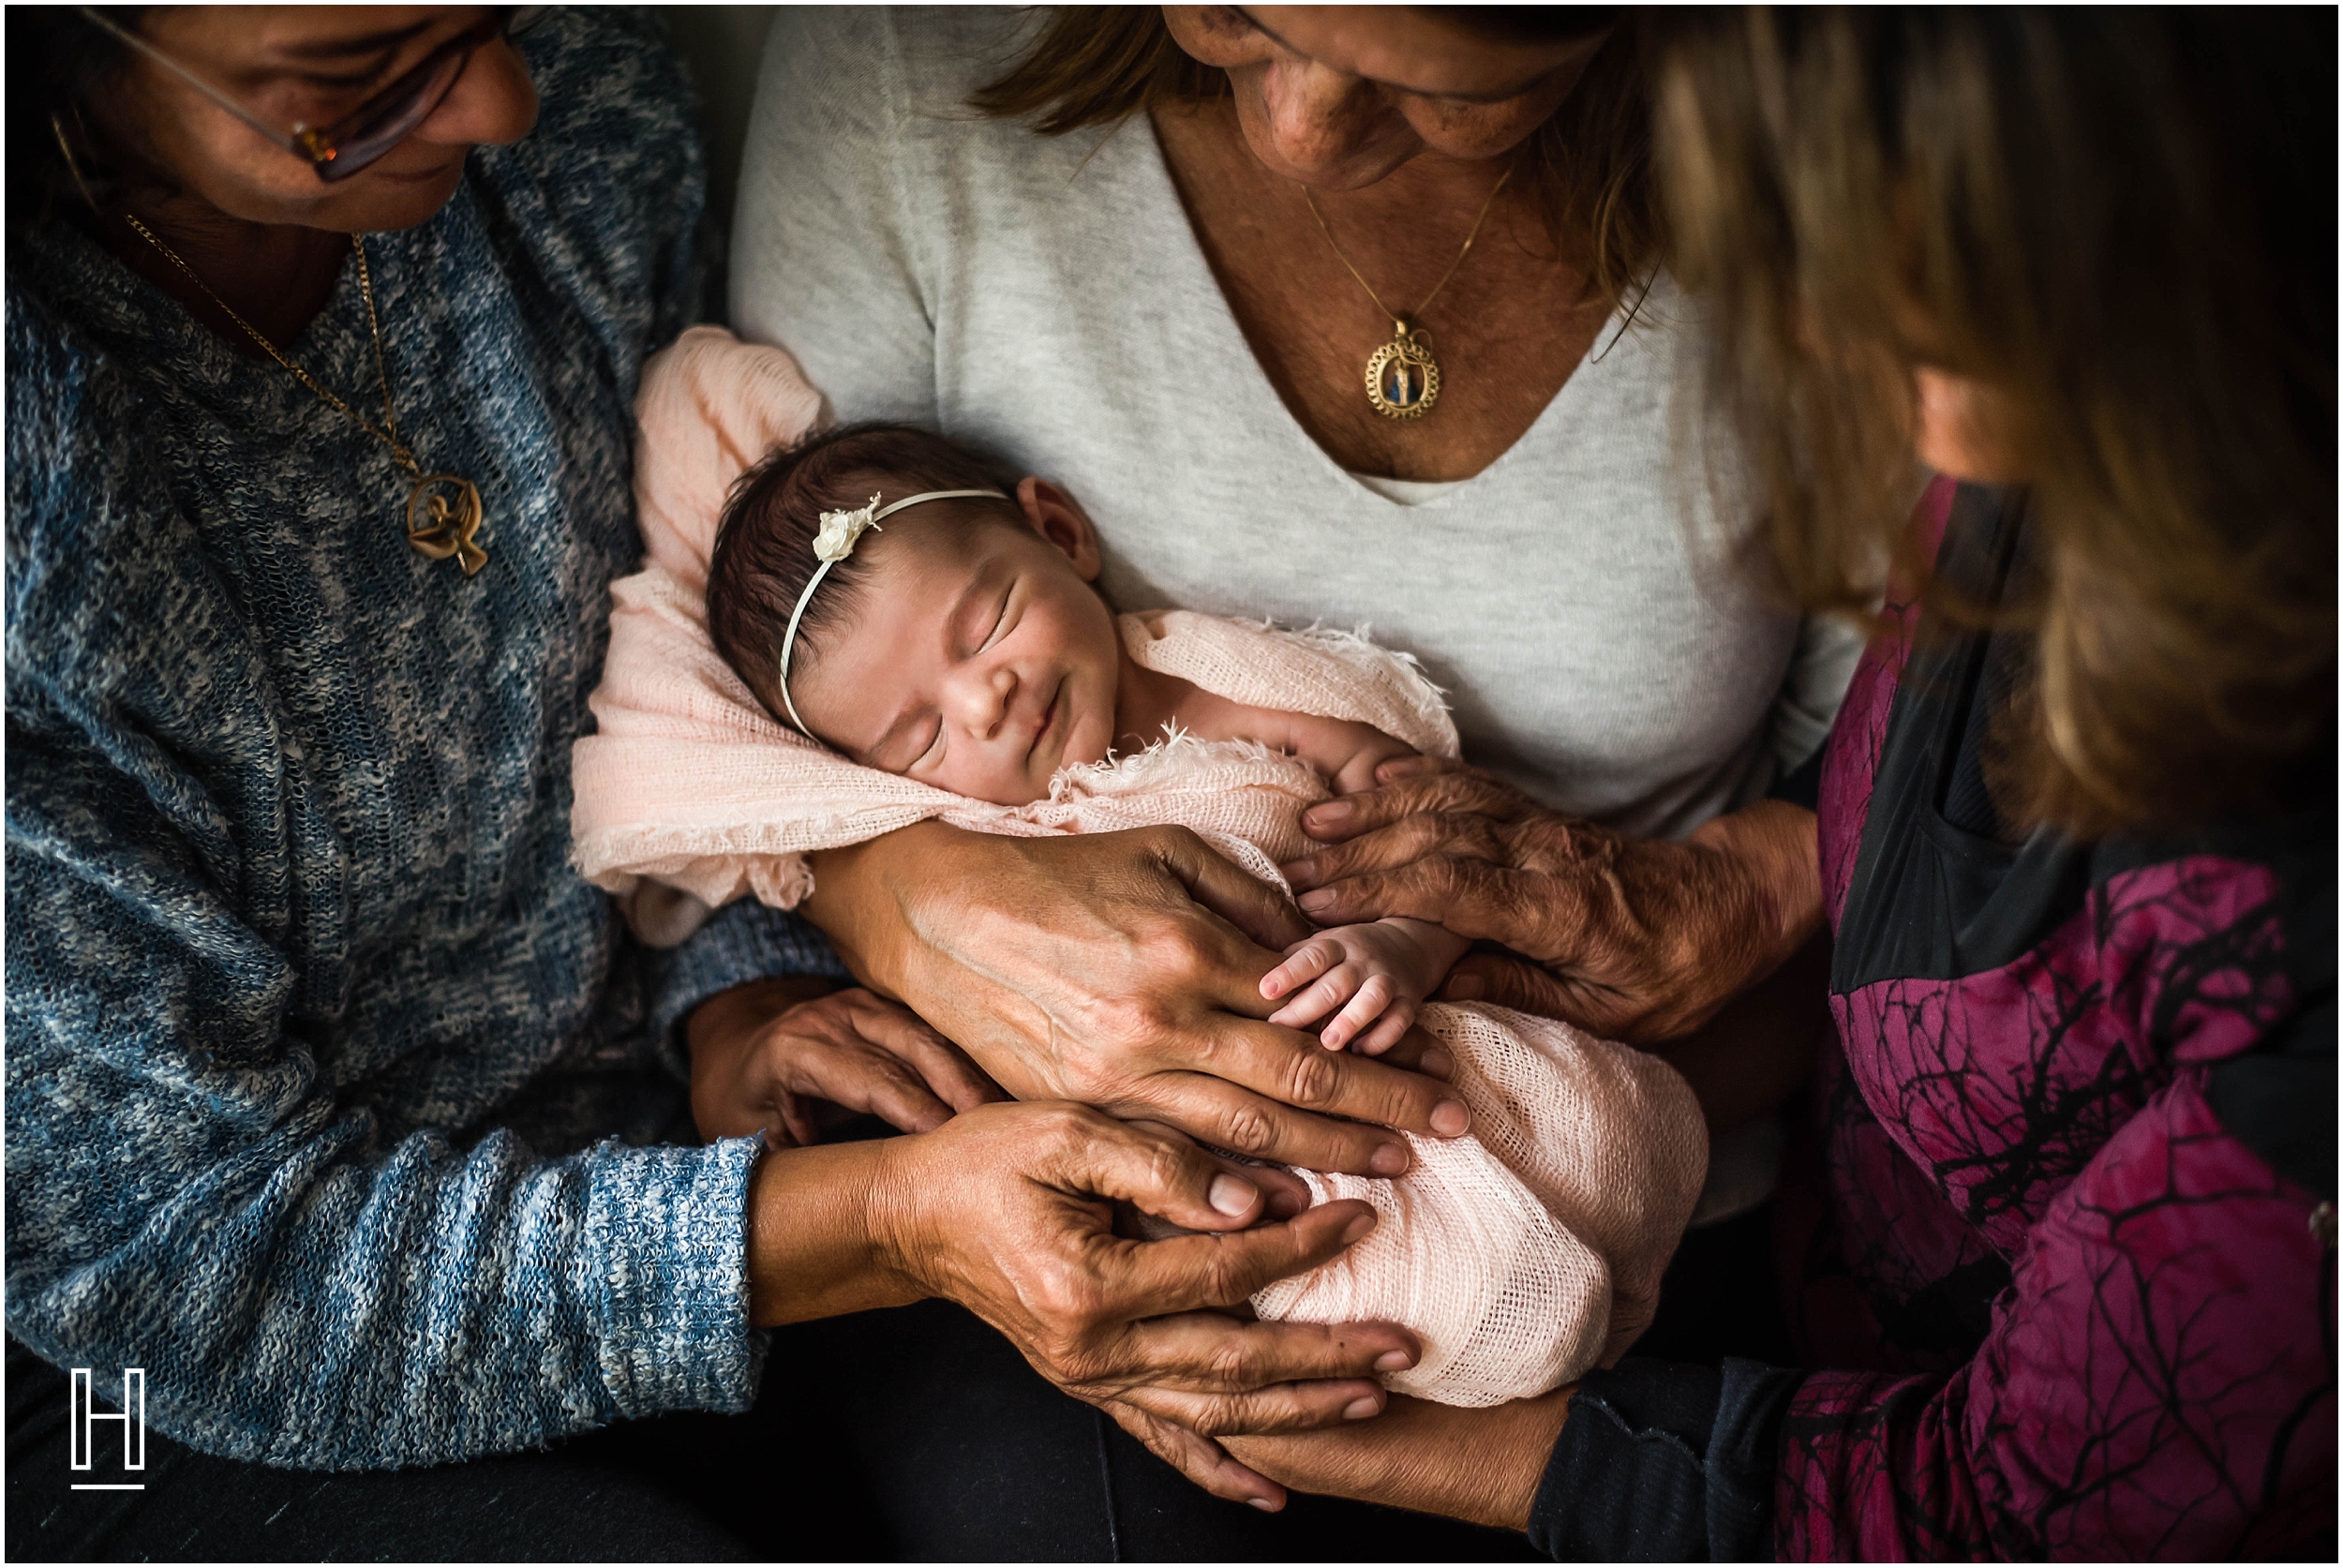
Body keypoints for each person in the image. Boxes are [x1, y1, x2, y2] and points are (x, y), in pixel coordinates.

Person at [4, 8, 1421, 1558]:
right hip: (170, 1362)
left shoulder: (577, 106)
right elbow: (187, 1266)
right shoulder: (41, 484)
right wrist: (883, 1221)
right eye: (361, 81)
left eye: (483, 11)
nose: (498, 98)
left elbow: (710, 681)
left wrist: (734, 995)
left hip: (699, 1144)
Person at [1202, 8, 2338, 1558]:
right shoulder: (2059, 445)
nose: (1818, 332)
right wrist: (1725, 877)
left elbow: (1997, 1519)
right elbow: (1886, 791)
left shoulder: (2292, 947)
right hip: (1784, 1303)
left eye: (1916, 287)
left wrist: (1317, 1398)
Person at [724, 9, 1857, 1542]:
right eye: (1234, 10)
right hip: (1128, 1212)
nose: (1299, 128)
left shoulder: (1854, 149)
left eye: (1447, 70)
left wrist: (1509, 1031)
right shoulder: (906, 54)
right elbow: (745, 727)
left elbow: (1908, 819)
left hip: (1643, 1127)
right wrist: (920, 903)